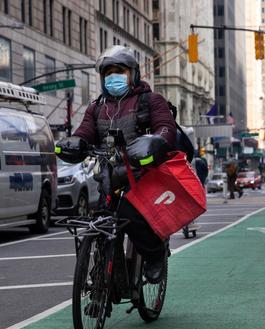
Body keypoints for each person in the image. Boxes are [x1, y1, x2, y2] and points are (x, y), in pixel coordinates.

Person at [56, 45, 176, 283]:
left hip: (143, 175)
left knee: (129, 215)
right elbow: (85, 132)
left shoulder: (150, 100)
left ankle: (155, 256)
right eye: (107, 73)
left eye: (119, 71)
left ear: (132, 73)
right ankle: (101, 279)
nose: (113, 77)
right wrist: (76, 142)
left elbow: (166, 127)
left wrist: (155, 141)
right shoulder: (96, 107)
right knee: (100, 221)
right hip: (109, 176)